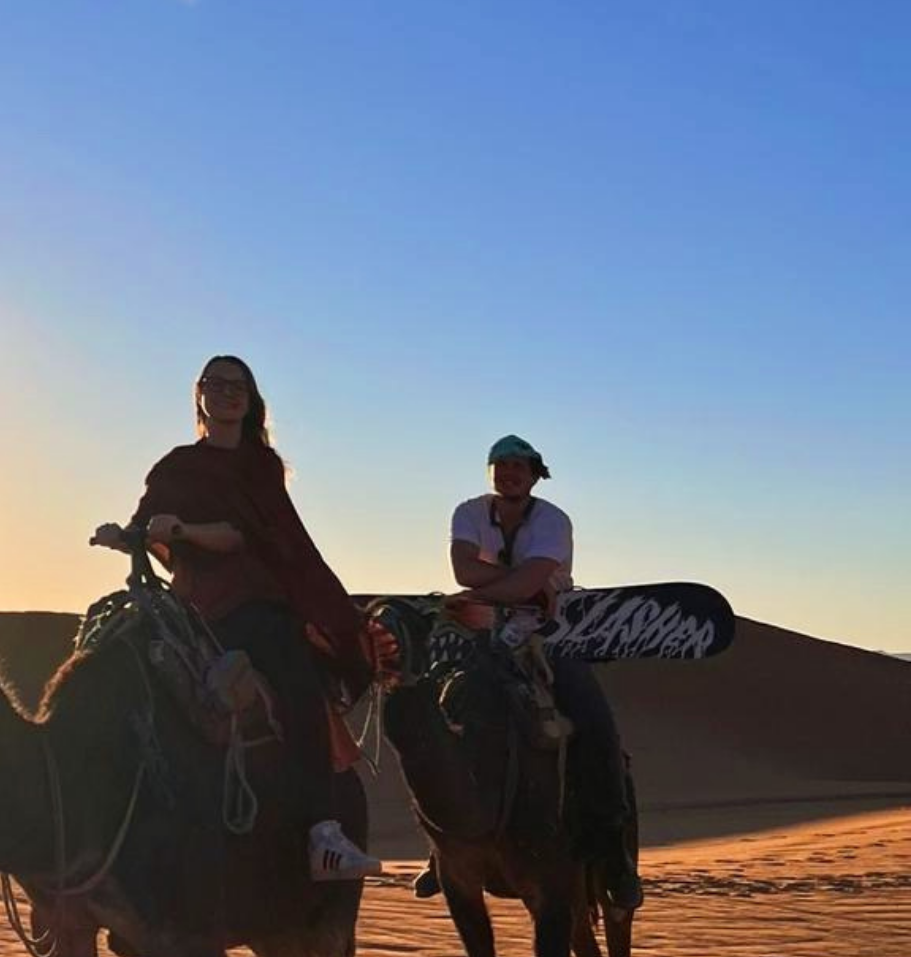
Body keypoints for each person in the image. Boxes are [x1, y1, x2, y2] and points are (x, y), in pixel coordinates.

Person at [92, 354, 384, 881]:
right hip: (191, 607)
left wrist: (183, 531)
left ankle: (324, 834)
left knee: (296, 687)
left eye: (239, 386)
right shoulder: (175, 466)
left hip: (253, 604)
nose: (228, 393)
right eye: (217, 383)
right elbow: (149, 528)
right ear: (199, 394)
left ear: (251, 402)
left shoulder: (260, 467)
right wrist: (125, 535)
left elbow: (242, 537)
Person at [411, 434, 641, 908]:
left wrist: (514, 587)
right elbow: (463, 572)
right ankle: (441, 848)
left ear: (535, 474)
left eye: (518, 466)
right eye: (500, 464)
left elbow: (528, 577)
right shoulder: (469, 512)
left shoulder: (553, 520)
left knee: (595, 724)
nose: (508, 472)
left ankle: (614, 853)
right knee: (436, 714)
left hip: (552, 632)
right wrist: (520, 589)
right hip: (481, 630)